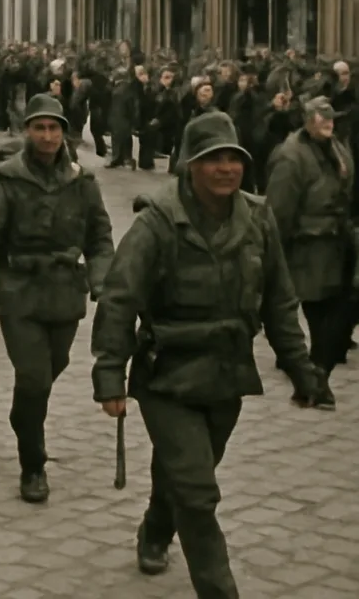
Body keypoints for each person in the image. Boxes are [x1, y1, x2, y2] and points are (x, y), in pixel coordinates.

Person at [91, 111, 325, 598]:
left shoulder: (258, 218)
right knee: (198, 493)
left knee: (187, 471)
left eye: (233, 159)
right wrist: (109, 375)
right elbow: (120, 298)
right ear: (188, 166)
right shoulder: (157, 221)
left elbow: (280, 300)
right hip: (167, 376)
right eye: (212, 159)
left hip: (226, 375)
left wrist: (303, 372)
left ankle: (156, 529)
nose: (226, 168)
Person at [0, 93, 114, 503]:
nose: (47, 136)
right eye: (39, 127)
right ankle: (33, 465)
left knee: (52, 367)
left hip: (65, 292)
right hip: (20, 292)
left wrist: (103, 280)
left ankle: (23, 415)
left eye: (54, 128)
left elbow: (100, 238)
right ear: (27, 131)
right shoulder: (10, 179)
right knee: (34, 376)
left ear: (64, 132)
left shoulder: (82, 181)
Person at [264, 97, 352, 407]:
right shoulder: (292, 157)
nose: (328, 123)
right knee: (320, 314)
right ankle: (314, 379)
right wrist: (274, 253)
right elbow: (279, 211)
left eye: (330, 118)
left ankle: (313, 377)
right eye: (321, 118)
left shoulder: (337, 149)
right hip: (307, 248)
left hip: (338, 244)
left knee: (338, 313)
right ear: (307, 121)